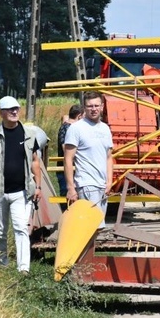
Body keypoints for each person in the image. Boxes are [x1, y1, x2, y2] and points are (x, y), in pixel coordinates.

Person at [0, 96, 46, 273]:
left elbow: (36, 161)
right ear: (1, 113)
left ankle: (23, 269)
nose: (14, 112)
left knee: (21, 228)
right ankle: (1, 264)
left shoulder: (28, 134)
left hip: (21, 192)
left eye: (17, 109)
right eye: (10, 109)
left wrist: (38, 186)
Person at [63, 91, 114, 228]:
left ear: (102, 107)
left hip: (102, 186)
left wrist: (109, 182)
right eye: (90, 106)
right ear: (84, 108)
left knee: (98, 228)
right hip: (86, 184)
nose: (94, 109)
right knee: (90, 227)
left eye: (97, 105)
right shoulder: (76, 129)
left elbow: (109, 157)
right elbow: (68, 159)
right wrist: (70, 188)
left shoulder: (105, 128)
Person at [56, 104, 84, 205]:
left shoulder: (71, 127)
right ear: (80, 116)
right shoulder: (67, 128)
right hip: (66, 170)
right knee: (68, 199)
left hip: (74, 169)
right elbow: (65, 149)